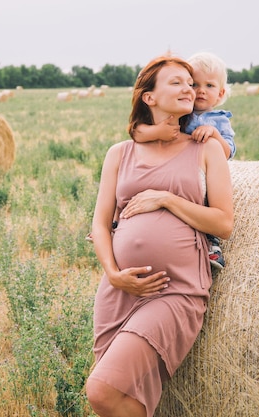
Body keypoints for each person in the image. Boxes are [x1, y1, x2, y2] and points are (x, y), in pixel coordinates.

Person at [85, 55, 234, 417]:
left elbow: (224, 223)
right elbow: (100, 224)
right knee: (121, 398)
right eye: (177, 82)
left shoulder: (206, 147)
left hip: (175, 289)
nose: (190, 88)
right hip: (118, 291)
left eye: (191, 82)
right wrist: (113, 273)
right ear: (148, 97)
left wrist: (166, 199)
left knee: (101, 391)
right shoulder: (120, 153)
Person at [131, 51, 235, 270]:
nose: (199, 91)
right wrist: (157, 131)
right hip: (176, 168)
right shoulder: (180, 113)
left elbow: (228, 151)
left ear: (221, 93)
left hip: (203, 174)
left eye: (209, 86)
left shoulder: (219, 120)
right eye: (194, 84)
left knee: (205, 201)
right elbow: (137, 132)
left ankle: (211, 246)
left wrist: (213, 135)